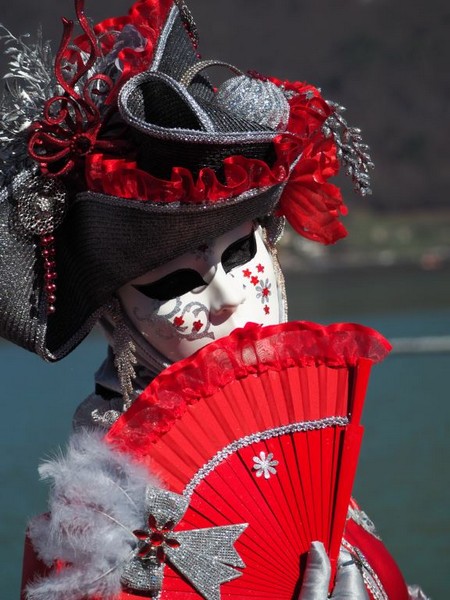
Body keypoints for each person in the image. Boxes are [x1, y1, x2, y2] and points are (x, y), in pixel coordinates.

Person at [0, 0, 427, 598]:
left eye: (239, 254)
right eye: (174, 282)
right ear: (115, 314)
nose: (226, 298)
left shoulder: (305, 445)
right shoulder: (103, 531)